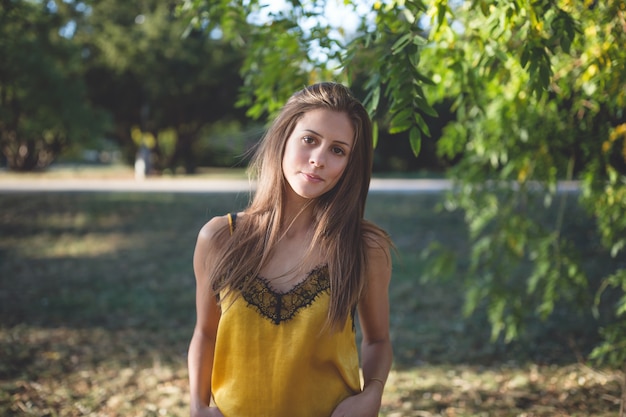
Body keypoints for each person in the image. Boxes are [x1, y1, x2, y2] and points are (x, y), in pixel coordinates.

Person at [188, 82, 393, 417]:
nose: (318, 160)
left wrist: (372, 394)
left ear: (349, 165)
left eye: (337, 150)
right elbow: (205, 333)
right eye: (310, 140)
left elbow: (378, 341)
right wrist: (198, 406)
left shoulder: (364, 248)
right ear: (284, 137)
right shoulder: (219, 238)